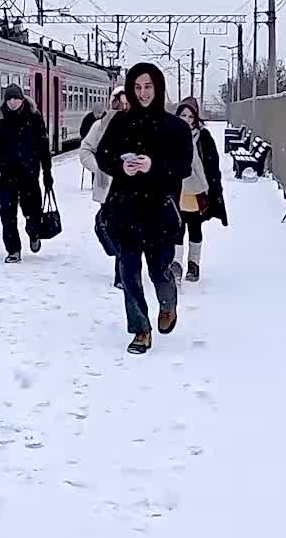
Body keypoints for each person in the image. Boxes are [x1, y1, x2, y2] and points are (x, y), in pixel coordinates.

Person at [94, 63, 192, 354]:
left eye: (148, 86)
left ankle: (167, 304)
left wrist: (153, 165)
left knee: (159, 270)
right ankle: (140, 329)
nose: (143, 93)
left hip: (160, 212)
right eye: (137, 87)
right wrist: (120, 165)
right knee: (129, 272)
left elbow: (183, 166)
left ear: (158, 88)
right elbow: (103, 155)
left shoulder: (176, 127)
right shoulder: (120, 122)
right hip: (124, 210)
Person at [0, 84, 52, 263]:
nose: (12, 102)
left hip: (29, 174)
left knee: (32, 210)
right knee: (7, 214)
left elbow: (43, 147)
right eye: (9, 98)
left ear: (22, 99)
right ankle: (13, 249)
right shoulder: (0, 118)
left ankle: (34, 233)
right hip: (8, 174)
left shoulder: (34, 117)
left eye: (16, 98)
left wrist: (47, 172)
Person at [172, 98, 228, 282]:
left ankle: (193, 264)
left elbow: (212, 165)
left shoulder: (203, 137)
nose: (186, 119)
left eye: (190, 116)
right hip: (176, 189)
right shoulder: (170, 135)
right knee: (177, 227)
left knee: (194, 227)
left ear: (195, 119)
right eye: (183, 115)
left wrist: (213, 189)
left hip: (196, 191)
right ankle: (176, 264)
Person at [79, 88, 130, 288]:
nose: (123, 108)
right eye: (120, 104)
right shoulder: (100, 126)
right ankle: (118, 257)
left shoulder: (141, 124)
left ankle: (122, 275)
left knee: (127, 231)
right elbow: (85, 150)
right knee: (110, 226)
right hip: (107, 186)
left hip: (134, 187)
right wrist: (99, 168)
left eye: (127, 104)